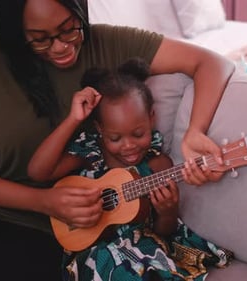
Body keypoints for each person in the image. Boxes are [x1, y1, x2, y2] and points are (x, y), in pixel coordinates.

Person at [0, 0, 234, 280]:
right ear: (16, 34)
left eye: (69, 29)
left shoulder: (107, 43)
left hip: (51, 233)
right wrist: (40, 200)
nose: (60, 47)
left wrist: (195, 132)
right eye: (40, 39)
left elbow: (211, 63)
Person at [28, 58, 233, 281]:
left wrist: (168, 211)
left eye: (138, 134)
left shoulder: (158, 166)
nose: (128, 146)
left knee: (144, 267)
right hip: (92, 251)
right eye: (115, 138)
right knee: (110, 260)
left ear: (151, 118)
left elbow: (163, 233)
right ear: (100, 129)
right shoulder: (90, 154)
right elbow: (38, 172)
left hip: (143, 253)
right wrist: (73, 119)